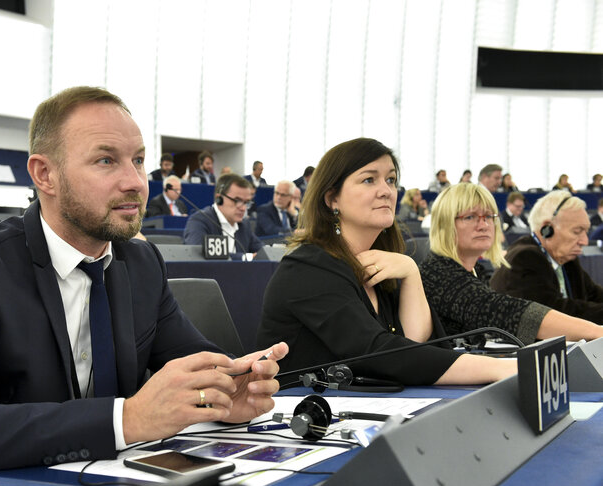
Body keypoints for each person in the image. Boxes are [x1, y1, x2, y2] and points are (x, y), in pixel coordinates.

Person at [0, 86, 287, 481]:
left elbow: (195, 363)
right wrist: (128, 419)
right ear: (45, 174)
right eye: (106, 160)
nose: (136, 182)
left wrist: (227, 391)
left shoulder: (141, 263)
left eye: (138, 160)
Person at [256, 138, 516, 386]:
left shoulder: (382, 264)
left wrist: (411, 272)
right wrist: (500, 368)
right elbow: (380, 355)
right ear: (332, 198)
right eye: (369, 180)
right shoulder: (308, 268)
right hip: (299, 420)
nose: (386, 191)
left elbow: (417, 346)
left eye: (391, 180)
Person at [419, 183, 603, 345]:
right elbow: (506, 312)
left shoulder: (477, 271)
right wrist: (597, 332)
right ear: (444, 224)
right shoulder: (439, 272)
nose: (483, 225)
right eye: (470, 217)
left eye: (489, 216)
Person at [491, 190, 603, 324]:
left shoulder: (567, 261)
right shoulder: (525, 258)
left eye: (586, 232)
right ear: (547, 230)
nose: (584, 241)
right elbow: (554, 313)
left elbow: (594, 294)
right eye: (577, 231)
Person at [183, 173, 263, 255]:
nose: (243, 208)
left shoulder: (244, 224)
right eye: (237, 201)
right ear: (219, 199)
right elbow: (198, 256)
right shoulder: (199, 221)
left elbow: (262, 252)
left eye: (246, 202)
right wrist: (245, 258)